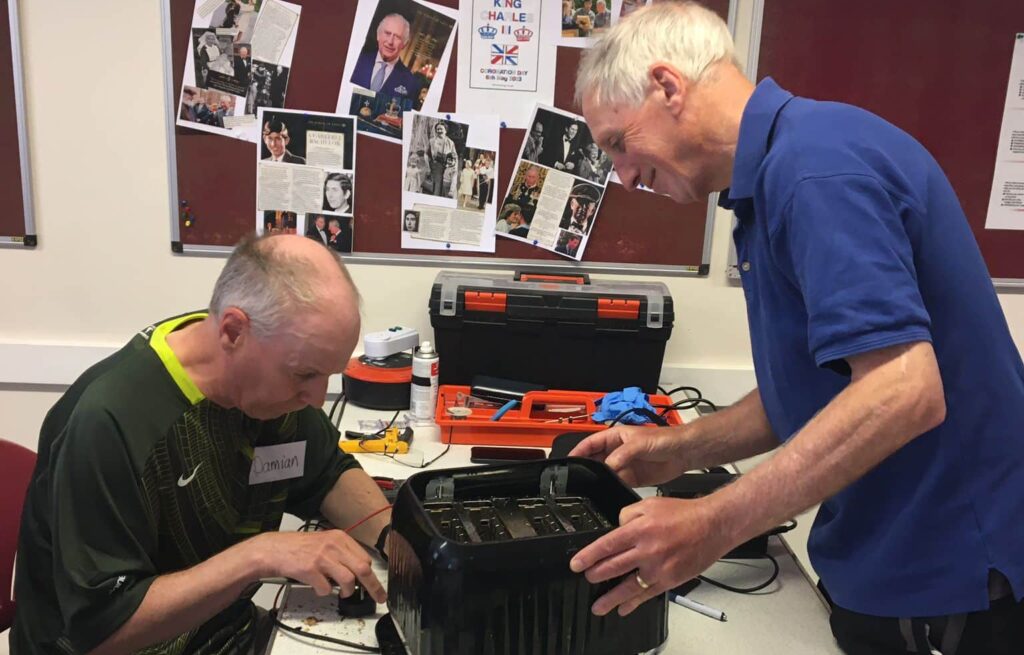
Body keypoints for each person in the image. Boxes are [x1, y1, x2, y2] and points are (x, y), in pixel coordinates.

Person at [568, 4, 1024, 653]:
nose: (624, 175)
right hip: (881, 566)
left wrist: (711, 523)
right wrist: (680, 448)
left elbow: (903, 389)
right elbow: (820, 389)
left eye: (618, 143)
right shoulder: (770, 181)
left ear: (667, 87)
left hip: (951, 584)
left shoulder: (815, 169)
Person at [11, 234, 392, 655]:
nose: (317, 398)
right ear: (233, 331)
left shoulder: (271, 383)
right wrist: (259, 556)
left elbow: (326, 473)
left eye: (328, 375)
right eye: (305, 375)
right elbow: (101, 629)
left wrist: (397, 541)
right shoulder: (110, 422)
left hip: (221, 633)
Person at [350, 13, 422, 103]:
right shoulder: (355, 61)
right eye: (387, 33)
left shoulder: (411, 83)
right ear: (378, 35)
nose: (390, 41)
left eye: (397, 37)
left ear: (404, 44)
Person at [426, 122, 457, 197]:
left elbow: (454, 156)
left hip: (447, 168)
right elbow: (426, 154)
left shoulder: (450, 142)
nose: (439, 131)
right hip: (436, 167)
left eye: (441, 129)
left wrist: (453, 167)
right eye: (437, 129)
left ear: (445, 130)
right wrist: (427, 167)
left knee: (445, 189)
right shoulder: (432, 141)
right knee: (437, 188)